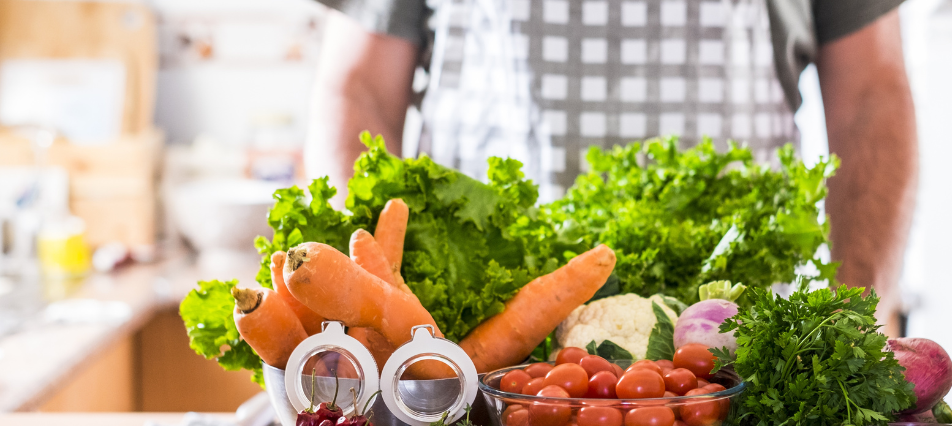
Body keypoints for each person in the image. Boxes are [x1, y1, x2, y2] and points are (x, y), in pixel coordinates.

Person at [306, 0, 916, 324]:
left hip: (732, 350)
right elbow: (359, 89)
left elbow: (870, 97)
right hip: (475, 350)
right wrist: (365, 316)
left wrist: (851, 319)